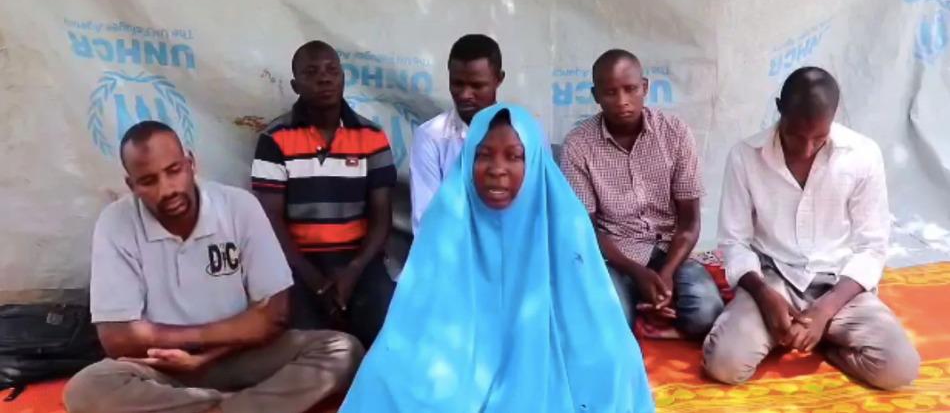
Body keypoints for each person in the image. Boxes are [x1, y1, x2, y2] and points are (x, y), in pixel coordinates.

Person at [340, 104, 655, 412]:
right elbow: (421, 316)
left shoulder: (563, 217)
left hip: (545, 344)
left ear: (533, 162)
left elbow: (589, 313)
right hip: (462, 351)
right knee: (388, 373)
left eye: (514, 156)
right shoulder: (448, 215)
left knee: (617, 362)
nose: (497, 169)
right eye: (483, 155)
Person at [64, 121, 362, 413]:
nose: (167, 189)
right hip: (165, 368)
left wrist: (206, 354)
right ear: (132, 185)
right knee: (87, 388)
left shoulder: (238, 206)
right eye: (148, 181)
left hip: (242, 354)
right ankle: (238, 406)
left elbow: (274, 315)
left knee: (343, 351)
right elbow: (118, 338)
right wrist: (201, 347)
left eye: (173, 171)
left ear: (191, 163)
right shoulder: (116, 222)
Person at [703, 67, 920, 389]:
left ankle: (826, 340)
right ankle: (789, 328)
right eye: (795, 136)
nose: (806, 149)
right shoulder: (745, 157)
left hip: (838, 285)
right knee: (725, 365)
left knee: (900, 369)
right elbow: (735, 242)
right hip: (772, 280)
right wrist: (763, 296)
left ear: (835, 115)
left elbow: (872, 247)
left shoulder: (862, 155)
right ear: (779, 108)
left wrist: (825, 311)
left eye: (818, 138)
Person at [560, 49, 723, 339]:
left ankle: (655, 299)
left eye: (630, 89)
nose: (622, 101)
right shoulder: (578, 145)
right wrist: (637, 273)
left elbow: (689, 222)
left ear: (645, 88)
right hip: (615, 258)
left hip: (669, 254)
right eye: (610, 92)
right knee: (610, 320)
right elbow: (585, 229)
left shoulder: (675, 133)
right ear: (595, 95)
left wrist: (667, 274)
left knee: (707, 314)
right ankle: (642, 300)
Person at [252, 40, 398, 349]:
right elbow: (270, 220)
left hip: (359, 262)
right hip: (298, 264)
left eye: (333, 70)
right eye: (312, 72)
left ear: (343, 76)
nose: (324, 78)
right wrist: (314, 280)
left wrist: (353, 271)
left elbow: (382, 217)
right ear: (295, 84)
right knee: (305, 346)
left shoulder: (371, 137)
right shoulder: (274, 139)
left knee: (387, 331)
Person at [409, 34, 505, 234]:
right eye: (457, 84)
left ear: (499, 79)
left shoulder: (527, 134)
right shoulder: (430, 137)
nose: (465, 94)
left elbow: (538, 210)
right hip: (450, 256)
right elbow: (428, 222)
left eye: (477, 86)